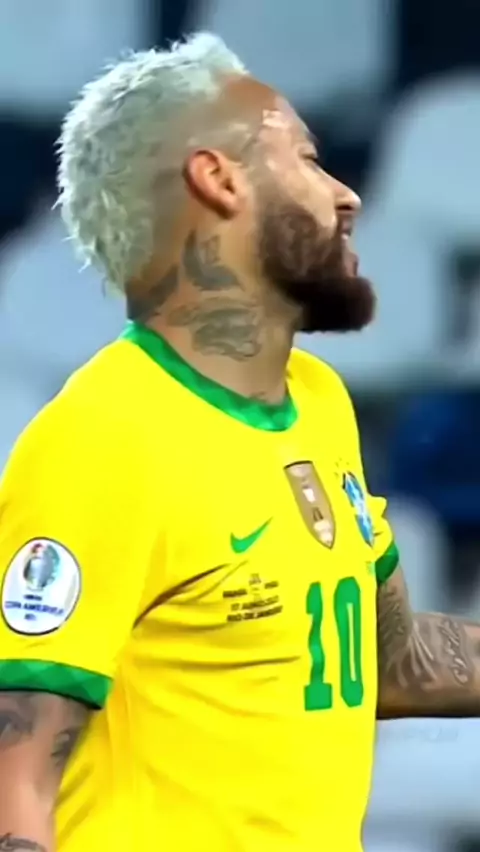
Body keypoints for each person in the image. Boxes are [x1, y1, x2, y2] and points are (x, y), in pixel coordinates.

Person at [0, 33, 477, 852]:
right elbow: (16, 772)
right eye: (309, 161)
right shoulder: (106, 438)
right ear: (218, 179)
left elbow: (386, 657)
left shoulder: (319, 402)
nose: (346, 196)